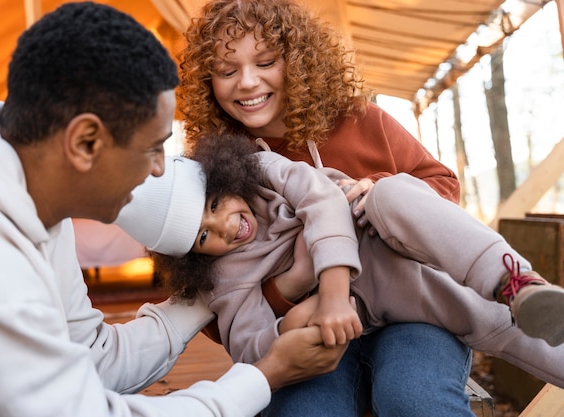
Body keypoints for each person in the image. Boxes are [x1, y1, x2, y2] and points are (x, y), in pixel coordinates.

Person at [0, 3, 347, 416]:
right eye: (153, 147)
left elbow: (93, 359)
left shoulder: (28, 188)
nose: (158, 169)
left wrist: (227, 280)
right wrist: (267, 373)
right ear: (85, 142)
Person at [175, 0, 561, 415]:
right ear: (207, 82)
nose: (248, 83)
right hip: (318, 326)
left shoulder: (361, 119)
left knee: (415, 398)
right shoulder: (218, 169)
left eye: (266, 62)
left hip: (412, 309)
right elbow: (217, 307)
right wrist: (288, 293)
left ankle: (517, 284)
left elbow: (444, 188)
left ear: (297, 59)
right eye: (227, 71)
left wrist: (374, 188)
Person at [116, 133, 564, 390]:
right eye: (202, 237)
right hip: (383, 292)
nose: (224, 228)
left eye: (215, 203)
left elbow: (323, 199)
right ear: (193, 258)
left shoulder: (263, 172)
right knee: (490, 323)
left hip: (376, 224)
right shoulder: (224, 279)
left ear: (223, 175)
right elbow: (250, 346)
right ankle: (516, 309)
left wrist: (330, 292)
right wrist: (299, 309)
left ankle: (516, 281)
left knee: (392, 191)